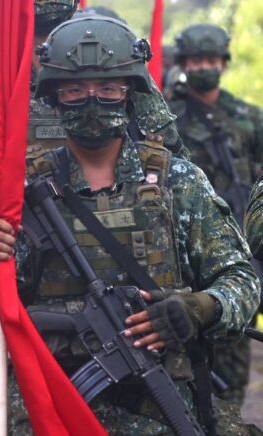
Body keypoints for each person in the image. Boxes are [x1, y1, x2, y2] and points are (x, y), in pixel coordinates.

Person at [0, 15, 259, 435]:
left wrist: (201, 307)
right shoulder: (16, 194)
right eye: (75, 91)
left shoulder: (178, 182)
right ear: (54, 98)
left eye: (108, 89)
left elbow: (242, 280)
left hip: (159, 407)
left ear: (129, 93)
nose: (92, 102)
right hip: (52, 411)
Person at [167, 23, 263, 406]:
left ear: (222, 62)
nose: (204, 66)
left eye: (210, 59)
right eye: (195, 60)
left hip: (240, 247)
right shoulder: (170, 117)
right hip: (188, 248)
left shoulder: (247, 117)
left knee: (235, 344)